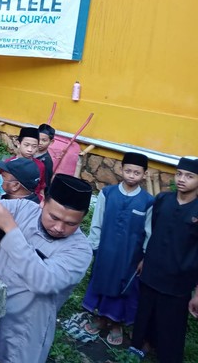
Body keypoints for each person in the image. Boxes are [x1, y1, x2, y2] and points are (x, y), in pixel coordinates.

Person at [0, 168, 93, 363]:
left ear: (83, 218)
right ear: (43, 201)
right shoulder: (25, 209)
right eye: (54, 217)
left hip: (25, 328)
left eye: (71, 223)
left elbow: (44, 281)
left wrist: (11, 229)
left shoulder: (80, 251)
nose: (59, 228)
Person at [128, 157, 198, 363]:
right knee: (145, 312)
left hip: (179, 279)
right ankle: (140, 346)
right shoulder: (162, 200)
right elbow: (153, 232)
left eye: (189, 176)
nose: (182, 179)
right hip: (152, 270)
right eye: (179, 174)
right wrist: (143, 259)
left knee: (172, 323)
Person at [81, 152, 154, 346]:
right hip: (105, 251)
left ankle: (115, 323)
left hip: (130, 256)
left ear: (144, 175)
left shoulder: (148, 202)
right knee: (102, 282)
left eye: (136, 172)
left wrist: (144, 257)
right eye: (128, 170)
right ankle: (99, 319)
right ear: (121, 170)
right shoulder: (108, 194)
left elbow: (149, 232)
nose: (131, 175)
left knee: (124, 287)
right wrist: (93, 246)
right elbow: (97, 222)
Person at [3, 127, 47, 202]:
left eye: (34, 146)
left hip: (33, 202)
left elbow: (41, 187)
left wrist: (42, 201)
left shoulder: (40, 166)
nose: (30, 150)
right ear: (18, 144)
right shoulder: (8, 164)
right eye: (26, 145)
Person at [36, 123, 56, 192]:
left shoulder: (46, 162)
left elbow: (46, 184)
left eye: (44, 140)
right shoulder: (30, 152)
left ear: (51, 142)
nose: (40, 142)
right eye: (38, 139)